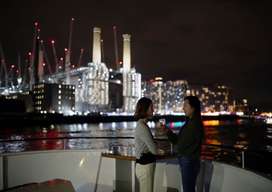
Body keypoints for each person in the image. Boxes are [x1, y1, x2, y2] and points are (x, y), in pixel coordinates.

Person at [166, 96, 204, 192]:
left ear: (193, 107)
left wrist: (175, 145)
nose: (183, 108)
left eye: (185, 105)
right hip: (188, 160)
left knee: (188, 189)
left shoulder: (194, 124)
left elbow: (181, 143)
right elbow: (179, 141)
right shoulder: (190, 123)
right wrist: (167, 131)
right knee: (189, 188)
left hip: (189, 161)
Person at [134, 97, 158, 192]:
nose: (153, 110)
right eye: (151, 107)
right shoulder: (143, 127)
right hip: (145, 167)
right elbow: (154, 150)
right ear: (145, 109)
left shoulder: (141, 125)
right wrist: (160, 149)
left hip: (142, 165)